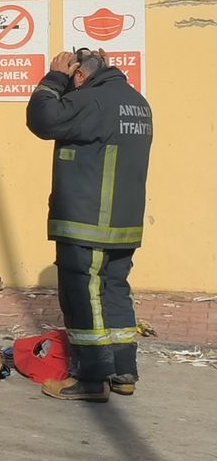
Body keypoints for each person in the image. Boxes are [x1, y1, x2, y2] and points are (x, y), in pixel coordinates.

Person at [26, 48, 153, 402]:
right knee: (114, 291)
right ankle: (123, 372)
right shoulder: (137, 102)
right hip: (123, 223)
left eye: (72, 77)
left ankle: (92, 379)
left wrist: (54, 78)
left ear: (80, 75)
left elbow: (42, 119)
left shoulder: (92, 101)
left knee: (83, 296)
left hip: (88, 222)